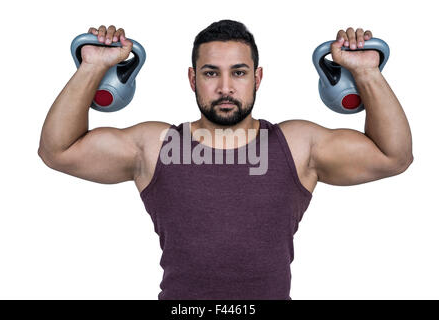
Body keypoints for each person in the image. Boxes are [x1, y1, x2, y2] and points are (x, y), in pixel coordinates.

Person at [38, 20, 413, 300]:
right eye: (210, 73)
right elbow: (58, 151)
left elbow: (393, 156)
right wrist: (92, 66)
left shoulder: (296, 144)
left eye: (238, 72)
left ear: (257, 78)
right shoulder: (156, 145)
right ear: (192, 79)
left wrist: (365, 71)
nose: (225, 88)